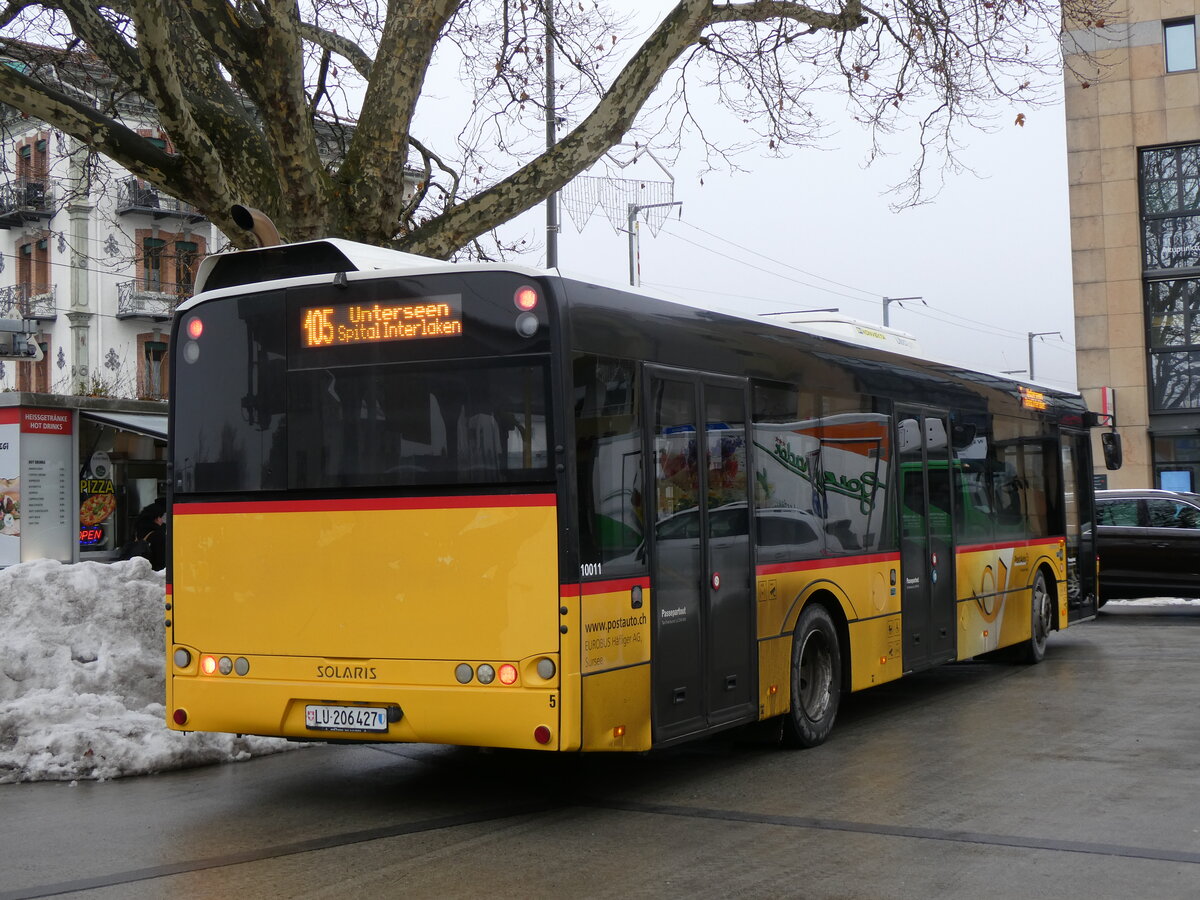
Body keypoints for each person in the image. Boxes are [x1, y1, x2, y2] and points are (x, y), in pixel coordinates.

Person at [125, 499, 166, 571]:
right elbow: (161, 560)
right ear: (155, 518)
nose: (162, 520)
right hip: (153, 573)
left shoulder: (137, 532)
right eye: (160, 517)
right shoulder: (158, 535)